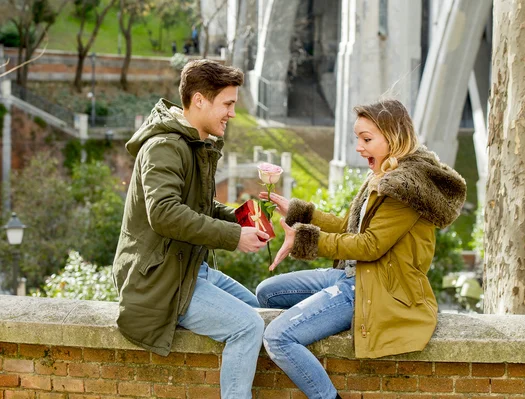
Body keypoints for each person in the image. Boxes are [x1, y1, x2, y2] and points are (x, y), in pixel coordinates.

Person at [255, 98, 467, 399]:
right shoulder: (383, 172)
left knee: (278, 337)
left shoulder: (404, 188)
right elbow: (351, 227)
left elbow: (369, 246)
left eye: (366, 139)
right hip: (351, 276)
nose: (358, 147)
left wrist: (304, 239)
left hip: (373, 287)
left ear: (393, 138)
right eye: (358, 138)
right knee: (267, 292)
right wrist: (301, 212)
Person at [112, 59, 269, 399]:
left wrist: (247, 217)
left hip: (188, 270)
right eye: (227, 104)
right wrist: (233, 238)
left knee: (257, 308)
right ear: (199, 100)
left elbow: (199, 208)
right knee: (248, 325)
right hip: (159, 281)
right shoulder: (165, 147)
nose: (232, 113)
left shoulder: (192, 143)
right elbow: (165, 214)